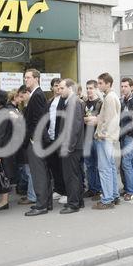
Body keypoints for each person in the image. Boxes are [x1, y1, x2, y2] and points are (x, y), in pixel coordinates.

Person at [23, 69, 52, 217]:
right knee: (41, 173)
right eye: (25, 77)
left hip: (37, 141)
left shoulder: (38, 95)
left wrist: (34, 139)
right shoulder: (36, 95)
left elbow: (40, 120)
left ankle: (41, 205)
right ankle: (45, 203)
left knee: (38, 173)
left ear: (36, 79)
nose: (25, 80)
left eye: (28, 77)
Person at [91, 73, 121, 209]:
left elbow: (109, 119)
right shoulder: (111, 96)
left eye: (101, 83)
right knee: (110, 167)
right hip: (111, 137)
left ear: (108, 84)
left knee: (104, 169)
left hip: (105, 138)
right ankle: (114, 195)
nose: (99, 85)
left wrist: (101, 134)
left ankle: (108, 199)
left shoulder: (109, 98)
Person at [57, 79, 85, 214]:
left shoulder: (73, 102)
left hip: (71, 147)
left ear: (70, 88)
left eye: (62, 88)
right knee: (75, 175)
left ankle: (73, 204)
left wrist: (69, 147)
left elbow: (74, 127)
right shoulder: (70, 102)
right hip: (73, 146)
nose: (59, 90)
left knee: (71, 176)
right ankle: (78, 201)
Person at [45, 77, 67, 204]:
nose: (58, 88)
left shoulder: (65, 101)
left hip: (60, 138)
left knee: (62, 165)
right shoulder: (50, 101)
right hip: (51, 137)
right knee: (54, 165)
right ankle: (58, 189)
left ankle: (65, 191)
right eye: (56, 86)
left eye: (60, 86)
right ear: (52, 87)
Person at [83, 80, 103, 200]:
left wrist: (89, 119)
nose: (89, 90)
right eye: (87, 88)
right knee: (89, 165)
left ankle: (99, 189)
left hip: (96, 138)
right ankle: (92, 189)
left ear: (96, 89)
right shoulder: (83, 103)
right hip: (86, 138)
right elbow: (81, 118)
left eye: (91, 88)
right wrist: (90, 119)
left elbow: (99, 119)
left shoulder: (100, 103)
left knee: (99, 165)